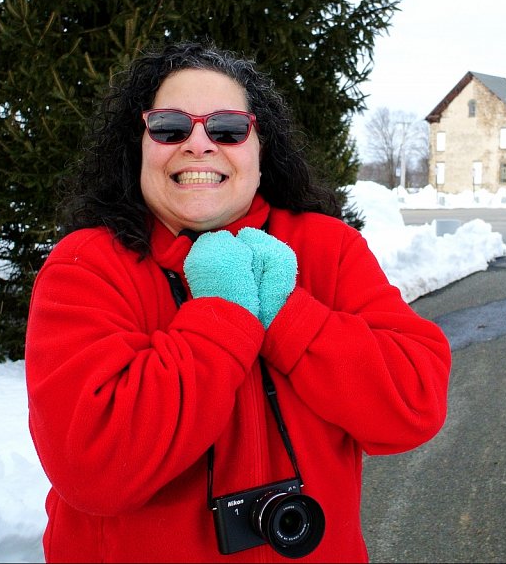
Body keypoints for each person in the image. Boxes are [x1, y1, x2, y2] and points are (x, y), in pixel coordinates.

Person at [24, 40, 451, 563]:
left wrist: (286, 314)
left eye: (227, 129)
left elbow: (414, 404)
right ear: (139, 144)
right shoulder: (87, 265)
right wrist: (224, 318)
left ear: (259, 147)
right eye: (169, 127)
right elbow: (93, 467)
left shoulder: (326, 248)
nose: (199, 144)